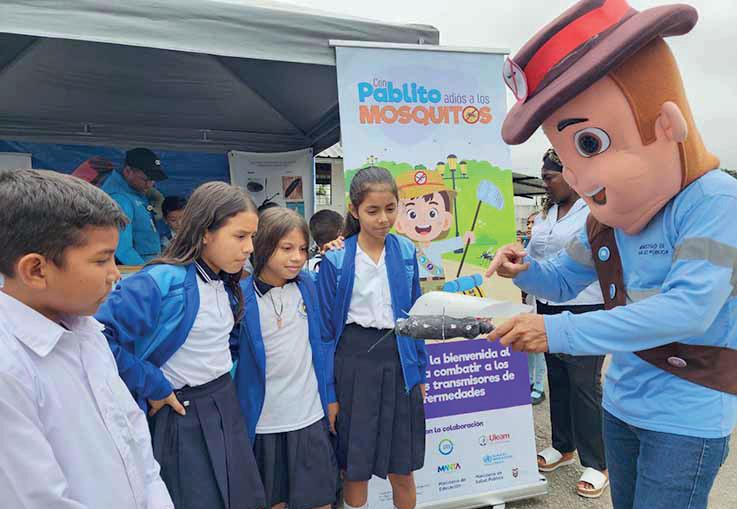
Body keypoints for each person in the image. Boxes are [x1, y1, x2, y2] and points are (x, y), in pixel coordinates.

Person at [487, 2, 735, 508]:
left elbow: (688, 309)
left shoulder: (713, 201)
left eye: (589, 143)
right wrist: (525, 270)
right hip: (622, 403)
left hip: (686, 415)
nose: (576, 177)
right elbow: (562, 279)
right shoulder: (611, 218)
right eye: (567, 156)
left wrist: (556, 331)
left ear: (666, 124)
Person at [0, 169, 173, 508]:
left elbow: (135, 439)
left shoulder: (87, 331)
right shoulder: (8, 368)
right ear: (36, 270)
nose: (115, 274)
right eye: (102, 260)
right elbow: (37, 500)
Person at [95, 182, 265, 509]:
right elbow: (98, 336)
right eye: (240, 236)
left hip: (224, 402)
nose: (249, 248)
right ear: (205, 232)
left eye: (252, 237)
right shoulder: (160, 281)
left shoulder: (227, 281)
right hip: (182, 411)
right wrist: (152, 383)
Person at [317, 166, 426, 509]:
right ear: (354, 210)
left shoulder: (406, 251)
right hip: (353, 363)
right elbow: (324, 334)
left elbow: (416, 317)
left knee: (403, 468)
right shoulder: (336, 259)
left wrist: (420, 372)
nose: (383, 219)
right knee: (355, 467)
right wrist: (329, 393)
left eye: (390, 209)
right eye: (372, 210)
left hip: (399, 361)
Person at [239, 207, 338, 509]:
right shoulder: (239, 297)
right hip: (264, 424)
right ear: (263, 246)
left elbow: (324, 341)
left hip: (309, 416)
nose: (297, 257)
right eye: (286, 248)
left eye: (302, 249)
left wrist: (339, 250)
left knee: (321, 501)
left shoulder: (309, 285)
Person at [526, 148, 607, 497]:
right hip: (547, 304)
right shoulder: (546, 212)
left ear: (572, 175)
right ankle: (563, 446)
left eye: (549, 177)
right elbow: (535, 254)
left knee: (583, 383)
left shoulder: (595, 211)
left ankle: (597, 462)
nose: (544, 183)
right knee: (557, 377)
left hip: (585, 307)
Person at [394, 169, 474, 293]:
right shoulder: (405, 248)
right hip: (415, 288)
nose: (423, 220)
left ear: (446, 220)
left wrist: (464, 240)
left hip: (438, 286)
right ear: (399, 223)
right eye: (412, 214)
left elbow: (448, 245)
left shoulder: (435, 247)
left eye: (432, 213)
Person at [101, 147, 167, 265]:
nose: (150, 185)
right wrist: (144, 272)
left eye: (153, 180)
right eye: (146, 180)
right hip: (134, 270)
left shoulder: (134, 191)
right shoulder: (119, 199)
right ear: (128, 171)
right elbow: (122, 249)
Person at [522, 210, 546, 406]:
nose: (530, 227)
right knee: (528, 344)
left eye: (533, 223)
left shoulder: (545, 249)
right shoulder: (524, 247)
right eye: (528, 223)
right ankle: (529, 380)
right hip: (528, 302)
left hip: (542, 301)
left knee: (538, 347)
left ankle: (539, 385)